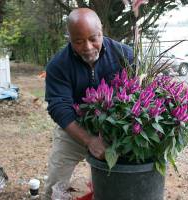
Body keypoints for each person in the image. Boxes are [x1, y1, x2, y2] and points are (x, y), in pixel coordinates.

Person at [44, 7, 133, 199]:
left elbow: (140, 93)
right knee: (56, 183)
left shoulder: (124, 55)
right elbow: (59, 108)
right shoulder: (58, 65)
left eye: (93, 38)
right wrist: (89, 140)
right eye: (78, 41)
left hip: (114, 131)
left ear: (101, 31)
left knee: (116, 185)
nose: (87, 47)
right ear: (69, 38)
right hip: (74, 128)